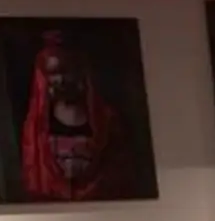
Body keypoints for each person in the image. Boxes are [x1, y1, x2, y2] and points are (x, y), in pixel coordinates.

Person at [18, 31, 135, 201]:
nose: (61, 80)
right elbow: (34, 170)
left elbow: (118, 167)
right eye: (53, 73)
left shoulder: (105, 118)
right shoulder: (36, 124)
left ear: (80, 72)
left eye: (66, 72)